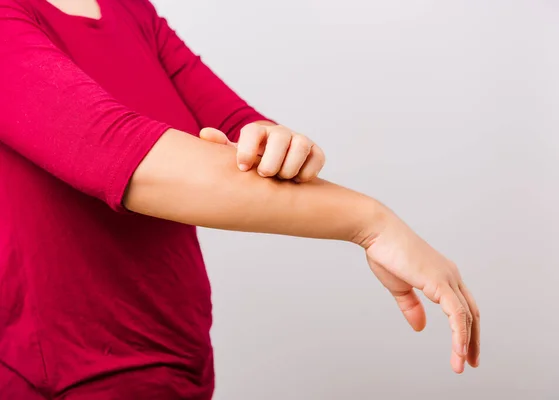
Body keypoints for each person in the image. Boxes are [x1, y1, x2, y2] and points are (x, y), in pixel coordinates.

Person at [0, 0, 480, 398]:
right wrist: (372, 223)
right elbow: (120, 153)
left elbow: (241, 129)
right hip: (65, 375)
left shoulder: (131, 10)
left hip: (176, 360)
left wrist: (279, 149)